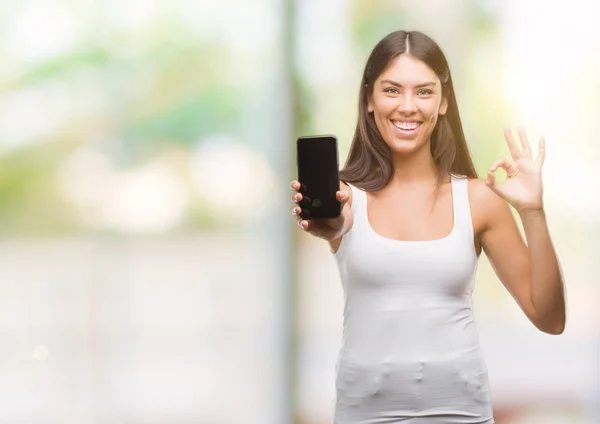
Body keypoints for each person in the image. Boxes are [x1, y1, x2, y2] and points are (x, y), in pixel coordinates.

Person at [289, 30, 566, 424]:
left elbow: (550, 318)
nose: (407, 106)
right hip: (365, 415)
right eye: (391, 90)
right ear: (369, 99)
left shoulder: (479, 199)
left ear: (443, 102)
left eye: (423, 92)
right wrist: (327, 224)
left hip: (461, 414)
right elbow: (335, 223)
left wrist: (533, 212)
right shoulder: (346, 198)